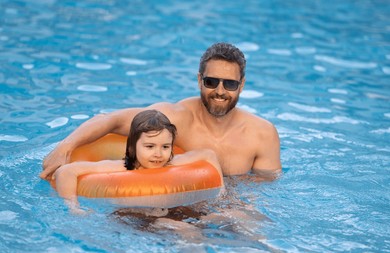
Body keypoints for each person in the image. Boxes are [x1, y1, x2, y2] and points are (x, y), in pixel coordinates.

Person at [41, 42, 281, 181]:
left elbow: (265, 189)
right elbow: (110, 120)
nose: (220, 91)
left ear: (242, 85)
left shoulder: (262, 134)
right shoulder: (174, 117)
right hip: (177, 206)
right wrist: (65, 147)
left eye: (229, 84)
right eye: (211, 82)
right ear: (199, 80)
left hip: (228, 207)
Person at [53, 110, 223, 211]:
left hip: (172, 208)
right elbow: (66, 171)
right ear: (133, 148)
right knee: (176, 228)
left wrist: (221, 190)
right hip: (136, 215)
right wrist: (73, 206)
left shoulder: (173, 163)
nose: (158, 154)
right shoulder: (123, 167)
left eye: (165, 147)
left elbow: (209, 155)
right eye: (149, 147)